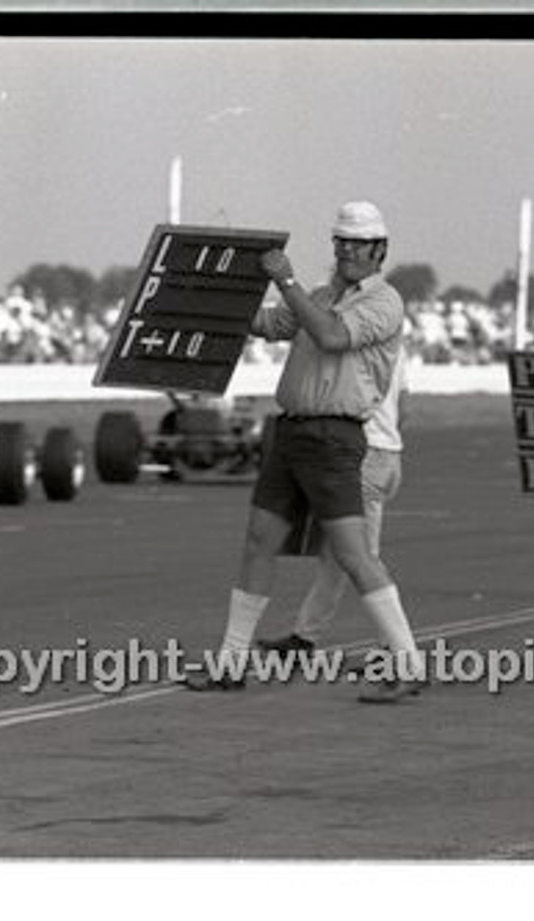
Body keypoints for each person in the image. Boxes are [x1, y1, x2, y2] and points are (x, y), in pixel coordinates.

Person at [183, 201, 426, 703]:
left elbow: (332, 335)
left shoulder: (385, 303)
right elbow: (271, 324)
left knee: (355, 556)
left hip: (335, 438)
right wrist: (216, 299)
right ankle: (230, 663)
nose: (347, 252)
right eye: (341, 242)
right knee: (258, 542)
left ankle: (408, 663)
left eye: (357, 244)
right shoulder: (320, 295)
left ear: (379, 250)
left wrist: (286, 283)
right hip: (294, 431)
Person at [255, 350, 408, 654]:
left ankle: (396, 648)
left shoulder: (349, 339)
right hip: (388, 453)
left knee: (362, 559)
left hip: (362, 453)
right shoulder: (392, 342)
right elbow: (404, 406)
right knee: (338, 557)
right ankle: (305, 637)